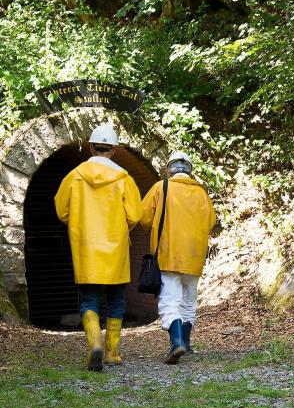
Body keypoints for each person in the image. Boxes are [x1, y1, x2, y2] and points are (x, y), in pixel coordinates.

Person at [54, 123, 142, 371]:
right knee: (116, 299)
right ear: (113, 150)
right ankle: (112, 352)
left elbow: (62, 210)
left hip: (85, 247)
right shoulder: (124, 178)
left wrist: (79, 223)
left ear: (91, 147)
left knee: (88, 299)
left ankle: (94, 345)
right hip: (115, 248)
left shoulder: (74, 176)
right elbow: (134, 215)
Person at [140, 151, 216, 364]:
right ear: (190, 170)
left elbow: (144, 218)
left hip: (168, 253)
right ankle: (187, 342)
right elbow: (210, 222)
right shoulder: (201, 193)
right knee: (189, 301)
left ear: (169, 169)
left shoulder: (160, 188)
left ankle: (176, 343)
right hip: (194, 255)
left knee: (170, 300)